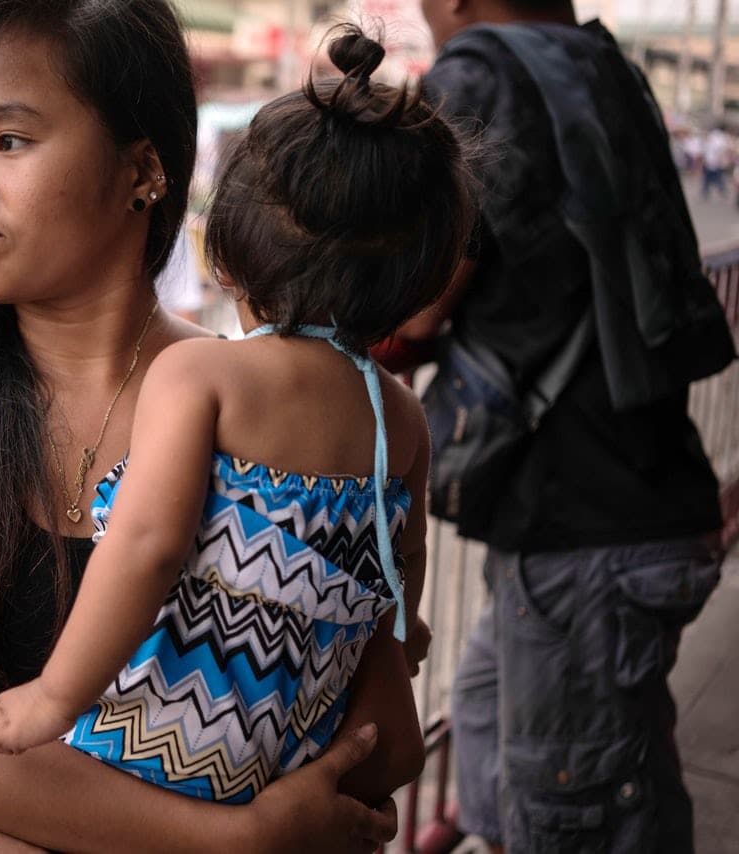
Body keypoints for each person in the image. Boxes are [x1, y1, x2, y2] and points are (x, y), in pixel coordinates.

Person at [0, 1, 406, 851]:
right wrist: (229, 841)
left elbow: (367, 734)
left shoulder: (260, 406)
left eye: (9, 141)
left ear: (143, 168)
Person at [0, 27, 472, 806]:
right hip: (292, 747)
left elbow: (150, 546)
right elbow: (403, 573)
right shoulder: (399, 416)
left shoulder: (200, 373)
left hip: (157, 749)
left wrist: (50, 697)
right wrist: (401, 634)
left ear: (223, 253)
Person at [410, 1, 735, 851]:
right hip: (638, 498)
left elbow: (415, 298)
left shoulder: (478, 75)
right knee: (493, 725)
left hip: (582, 527)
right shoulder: (600, 64)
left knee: (577, 811)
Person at [700, 124, 732, 201]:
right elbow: (723, 149)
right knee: (716, 177)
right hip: (714, 160)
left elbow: (705, 149)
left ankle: (707, 192)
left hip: (711, 160)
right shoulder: (721, 137)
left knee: (709, 178)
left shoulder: (712, 136)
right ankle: (721, 190)